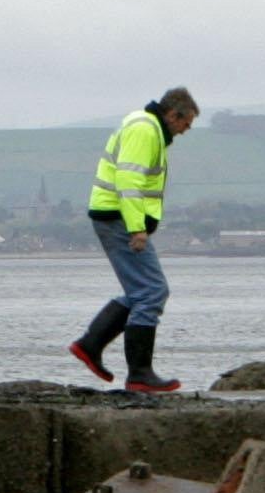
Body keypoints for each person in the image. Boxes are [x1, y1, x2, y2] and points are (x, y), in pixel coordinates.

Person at [71, 86, 196, 394]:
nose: (186, 131)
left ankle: (91, 345)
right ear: (172, 114)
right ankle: (140, 374)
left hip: (115, 217)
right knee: (152, 291)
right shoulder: (145, 130)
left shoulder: (147, 126)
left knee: (141, 291)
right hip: (120, 220)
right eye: (186, 123)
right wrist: (137, 228)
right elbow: (128, 180)